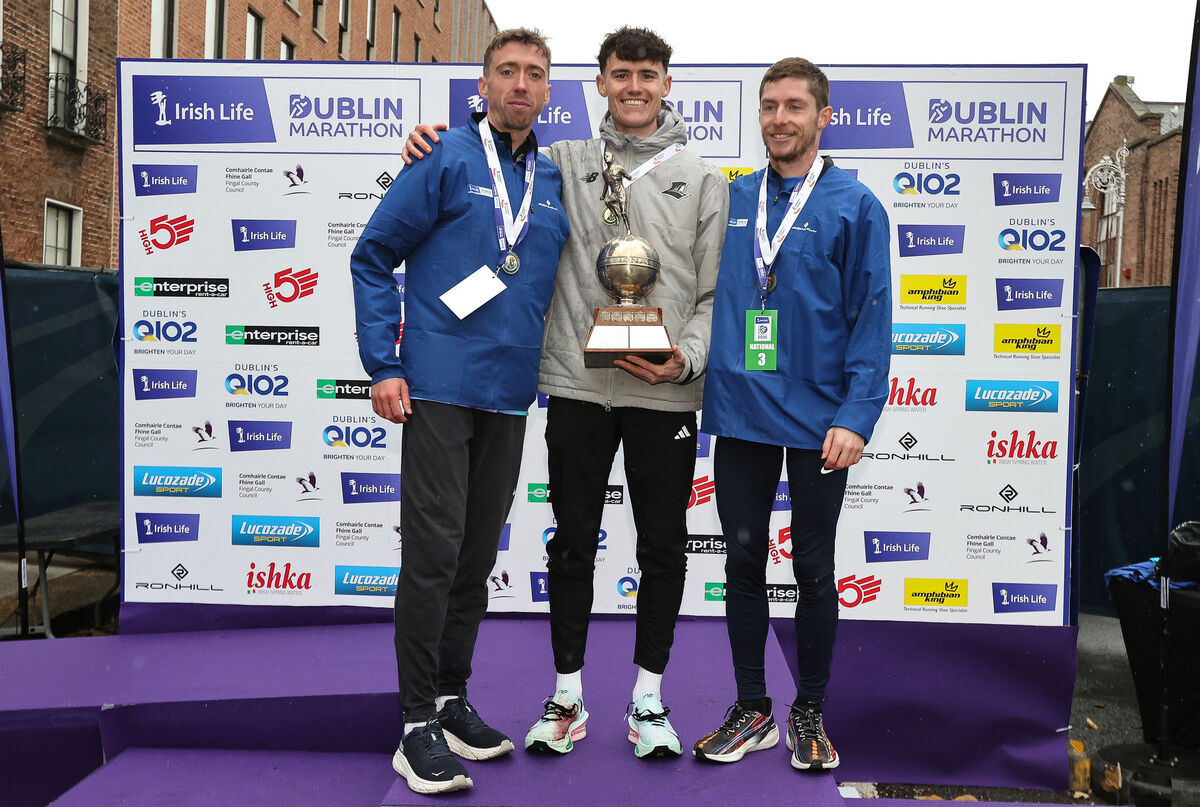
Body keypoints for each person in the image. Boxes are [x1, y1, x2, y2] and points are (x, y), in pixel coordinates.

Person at [403, 26, 729, 760]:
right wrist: (431, 142)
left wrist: (687, 359)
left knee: (664, 547)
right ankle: (567, 694)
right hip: (576, 386)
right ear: (599, 84)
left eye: (648, 73)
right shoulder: (561, 164)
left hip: (665, 393)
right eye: (621, 73)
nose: (635, 86)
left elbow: (713, 295)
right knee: (573, 542)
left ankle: (647, 698)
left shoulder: (706, 180)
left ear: (667, 83)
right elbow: (492, 157)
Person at [350, 28, 569, 795]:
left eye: (534, 74)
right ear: (483, 83)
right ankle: (415, 725)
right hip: (438, 386)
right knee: (434, 555)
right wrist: (383, 363)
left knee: (475, 559)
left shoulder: (557, 176)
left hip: (510, 392)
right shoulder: (442, 156)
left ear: (549, 91)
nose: (520, 83)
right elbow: (373, 253)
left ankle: (449, 699)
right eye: (506, 71)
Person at [691, 58, 891, 772]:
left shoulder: (853, 204)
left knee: (812, 566)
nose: (780, 118)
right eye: (770, 106)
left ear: (822, 116)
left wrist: (858, 415)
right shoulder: (733, 195)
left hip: (819, 422)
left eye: (795, 106)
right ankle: (753, 708)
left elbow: (872, 316)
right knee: (742, 561)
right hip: (742, 413)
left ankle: (808, 709)